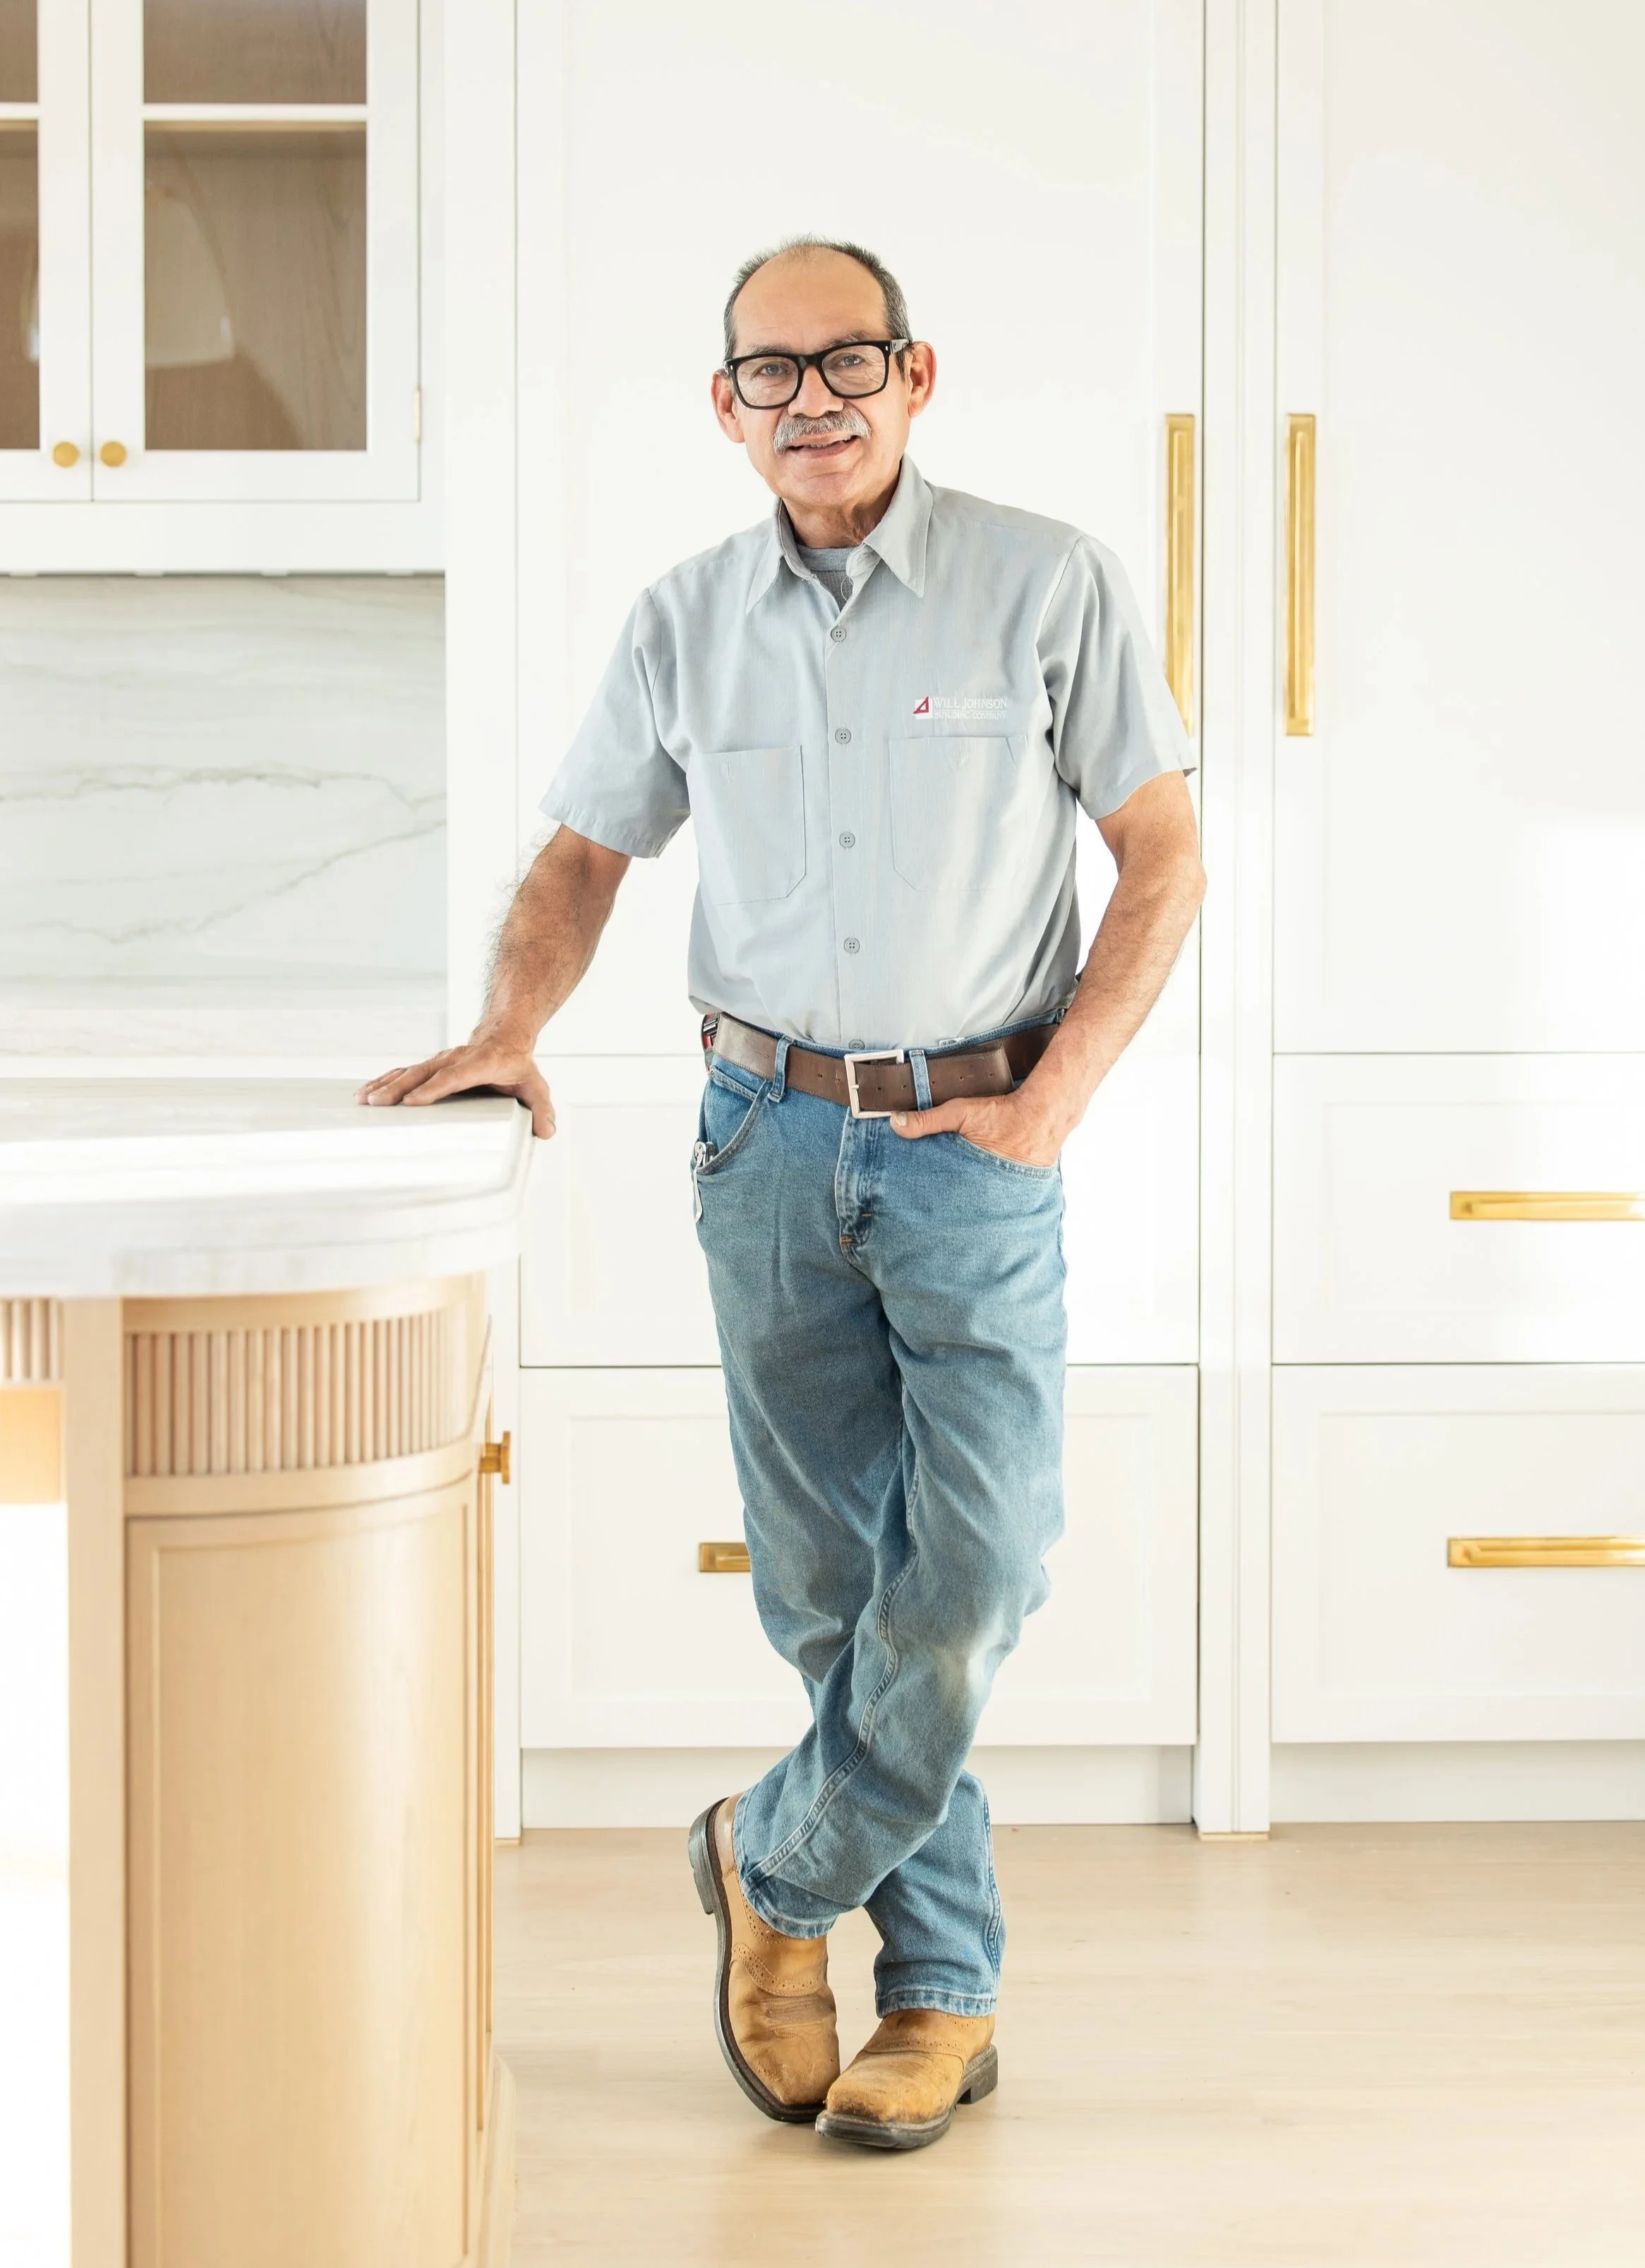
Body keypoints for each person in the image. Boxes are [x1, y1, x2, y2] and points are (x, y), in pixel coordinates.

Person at [358, 235, 1204, 2153]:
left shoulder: (1044, 581)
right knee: (836, 1590)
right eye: (770, 370)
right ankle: (940, 1989)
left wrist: (1052, 1103)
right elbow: (585, 855)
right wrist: (509, 1019)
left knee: (975, 1569)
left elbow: (1160, 862)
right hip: (761, 1140)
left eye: (849, 360)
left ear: (917, 375)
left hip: (973, 1144)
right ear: (724, 404)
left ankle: (772, 1856)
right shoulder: (680, 618)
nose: (810, 397)